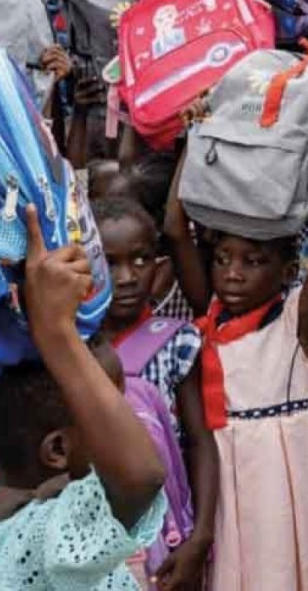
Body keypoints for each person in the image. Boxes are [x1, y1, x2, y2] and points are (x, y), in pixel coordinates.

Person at [0, 207, 167, 590]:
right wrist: (56, 332)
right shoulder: (49, 535)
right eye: (112, 406)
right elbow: (142, 477)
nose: (128, 421)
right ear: (57, 449)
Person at [186, 225, 308, 590]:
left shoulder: (295, 320)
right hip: (219, 463)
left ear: (288, 273)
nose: (233, 274)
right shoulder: (209, 315)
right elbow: (176, 231)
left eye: (254, 261)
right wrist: (190, 165)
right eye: (222, 260)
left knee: (282, 557)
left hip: (282, 470)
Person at [96, 196, 218, 590]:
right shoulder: (71, 347)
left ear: (160, 267)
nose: (127, 277)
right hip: (89, 532)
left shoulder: (177, 342)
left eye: (140, 259)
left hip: (162, 534)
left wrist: (199, 537)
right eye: (109, 263)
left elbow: (199, 442)